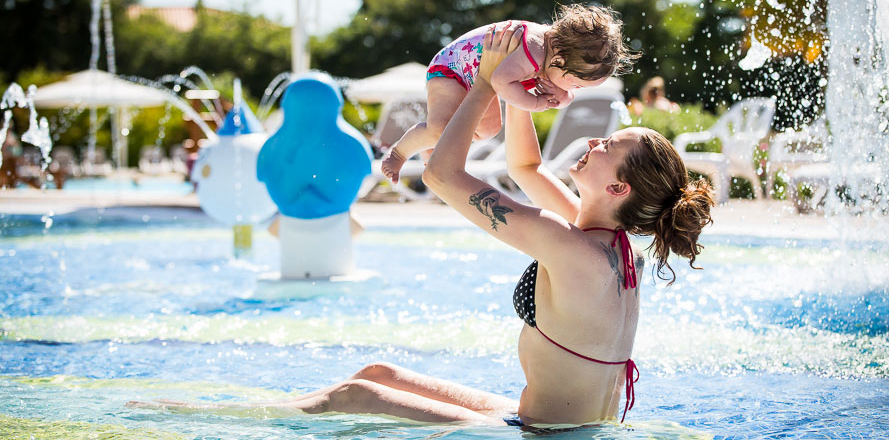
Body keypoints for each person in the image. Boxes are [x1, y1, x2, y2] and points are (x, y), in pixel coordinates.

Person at [128, 24, 714, 429]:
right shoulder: (608, 244)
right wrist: (513, 83)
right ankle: (265, 410)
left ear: (618, 189)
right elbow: (524, 167)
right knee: (377, 374)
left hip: (544, 437)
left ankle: (204, 421)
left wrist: (483, 82)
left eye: (609, 146)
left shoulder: (566, 244)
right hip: (547, 421)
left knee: (353, 396)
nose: (593, 140)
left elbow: (439, 172)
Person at [380, 3, 640, 183]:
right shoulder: (534, 48)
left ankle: (434, 148)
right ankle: (400, 152)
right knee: (440, 127)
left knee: (489, 129)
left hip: (479, 78)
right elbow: (501, 81)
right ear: (560, 58)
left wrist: (561, 97)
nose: (575, 91)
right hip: (453, 68)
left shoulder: (555, 60)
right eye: (577, 84)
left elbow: (560, 97)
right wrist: (535, 103)